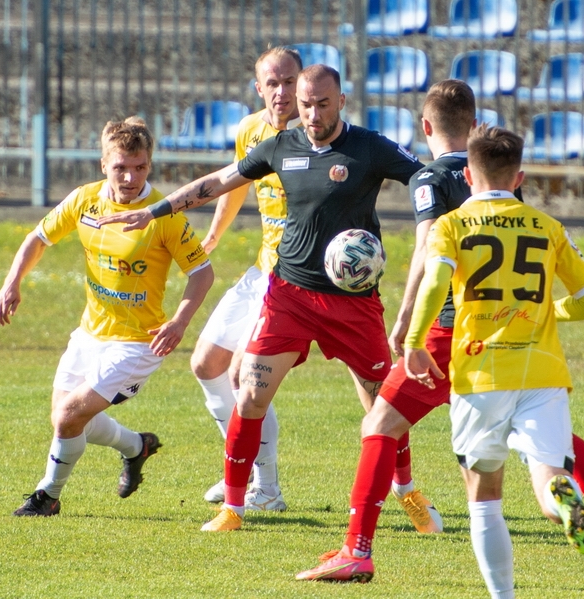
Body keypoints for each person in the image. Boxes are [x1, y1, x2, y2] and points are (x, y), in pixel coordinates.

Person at [296, 81, 584, 584]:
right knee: (548, 446)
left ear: (427, 128)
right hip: (525, 345)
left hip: (454, 334)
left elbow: (428, 253)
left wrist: (407, 329)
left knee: (382, 427)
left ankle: (357, 549)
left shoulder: (430, 182)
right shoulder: (525, 205)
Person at [97, 64, 425, 533]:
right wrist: (154, 210)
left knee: (382, 402)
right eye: (306, 104)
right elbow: (218, 181)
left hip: (353, 303)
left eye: (322, 104)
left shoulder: (369, 147)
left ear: (341, 101)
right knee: (248, 394)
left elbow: (422, 177)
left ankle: (407, 491)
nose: (312, 114)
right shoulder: (281, 146)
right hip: (288, 294)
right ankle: (235, 506)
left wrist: (437, 210)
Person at [404, 124, 584, 598]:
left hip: (480, 375)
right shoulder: (548, 227)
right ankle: (563, 502)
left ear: (469, 177)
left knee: (485, 501)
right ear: (519, 178)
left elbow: (435, 284)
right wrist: (547, 310)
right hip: (542, 373)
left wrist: (415, 338)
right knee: (549, 479)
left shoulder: (452, 224)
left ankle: (504, 597)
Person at [0, 116, 214, 516]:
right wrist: (12, 283)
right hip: (90, 333)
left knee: (69, 416)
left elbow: (202, 272)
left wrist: (179, 321)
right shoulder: (85, 200)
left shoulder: (163, 214)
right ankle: (136, 447)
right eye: (120, 167)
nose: (130, 177)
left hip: (139, 341)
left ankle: (48, 496)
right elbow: (37, 238)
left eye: (140, 167)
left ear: (149, 164)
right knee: (68, 420)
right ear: (103, 164)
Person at [192, 46, 303, 512]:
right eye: (272, 84)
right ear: (259, 88)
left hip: (295, 279)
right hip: (261, 269)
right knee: (205, 365)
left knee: (242, 372)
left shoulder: (320, 135)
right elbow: (235, 184)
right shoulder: (250, 130)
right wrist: (214, 235)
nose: (282, 92)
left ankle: (267, 489)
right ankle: (241, 468)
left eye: (289, 82)